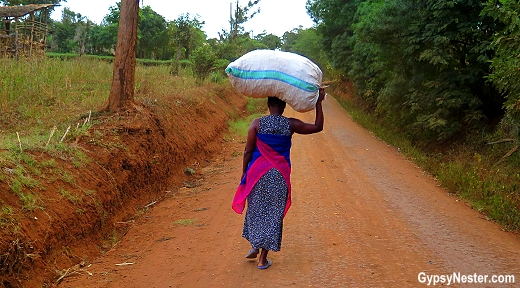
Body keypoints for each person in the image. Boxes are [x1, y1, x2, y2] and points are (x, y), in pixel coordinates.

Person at [232, 88, 326, 269]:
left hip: (257, 174)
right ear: (284, 106)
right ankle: (262, 259)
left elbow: (248, 151)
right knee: (273, 214)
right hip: (278, 175)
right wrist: (318, 103)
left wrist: (244, 172)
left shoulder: (256, 124)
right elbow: (317, 127)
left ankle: (255, 244)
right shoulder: (290, 124)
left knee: (256, 209)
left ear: (268, 105)